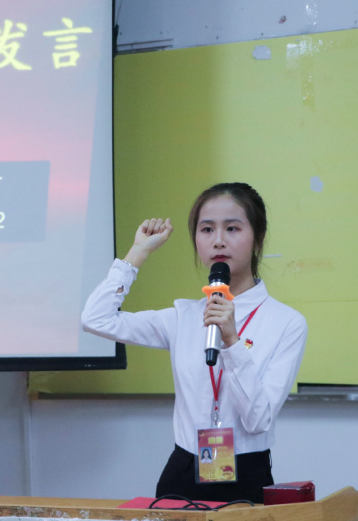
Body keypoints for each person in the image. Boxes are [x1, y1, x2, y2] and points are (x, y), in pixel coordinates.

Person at [81, 182, 307, 503]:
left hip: (247, 473)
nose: (218, 240)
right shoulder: (183, 316)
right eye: (206, 229)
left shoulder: (286, 323)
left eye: (232, 228)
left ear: (258, 238)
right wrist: (138, 253)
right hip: (184, 469)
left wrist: (232, 341)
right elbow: (96, 319)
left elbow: (258, 421)